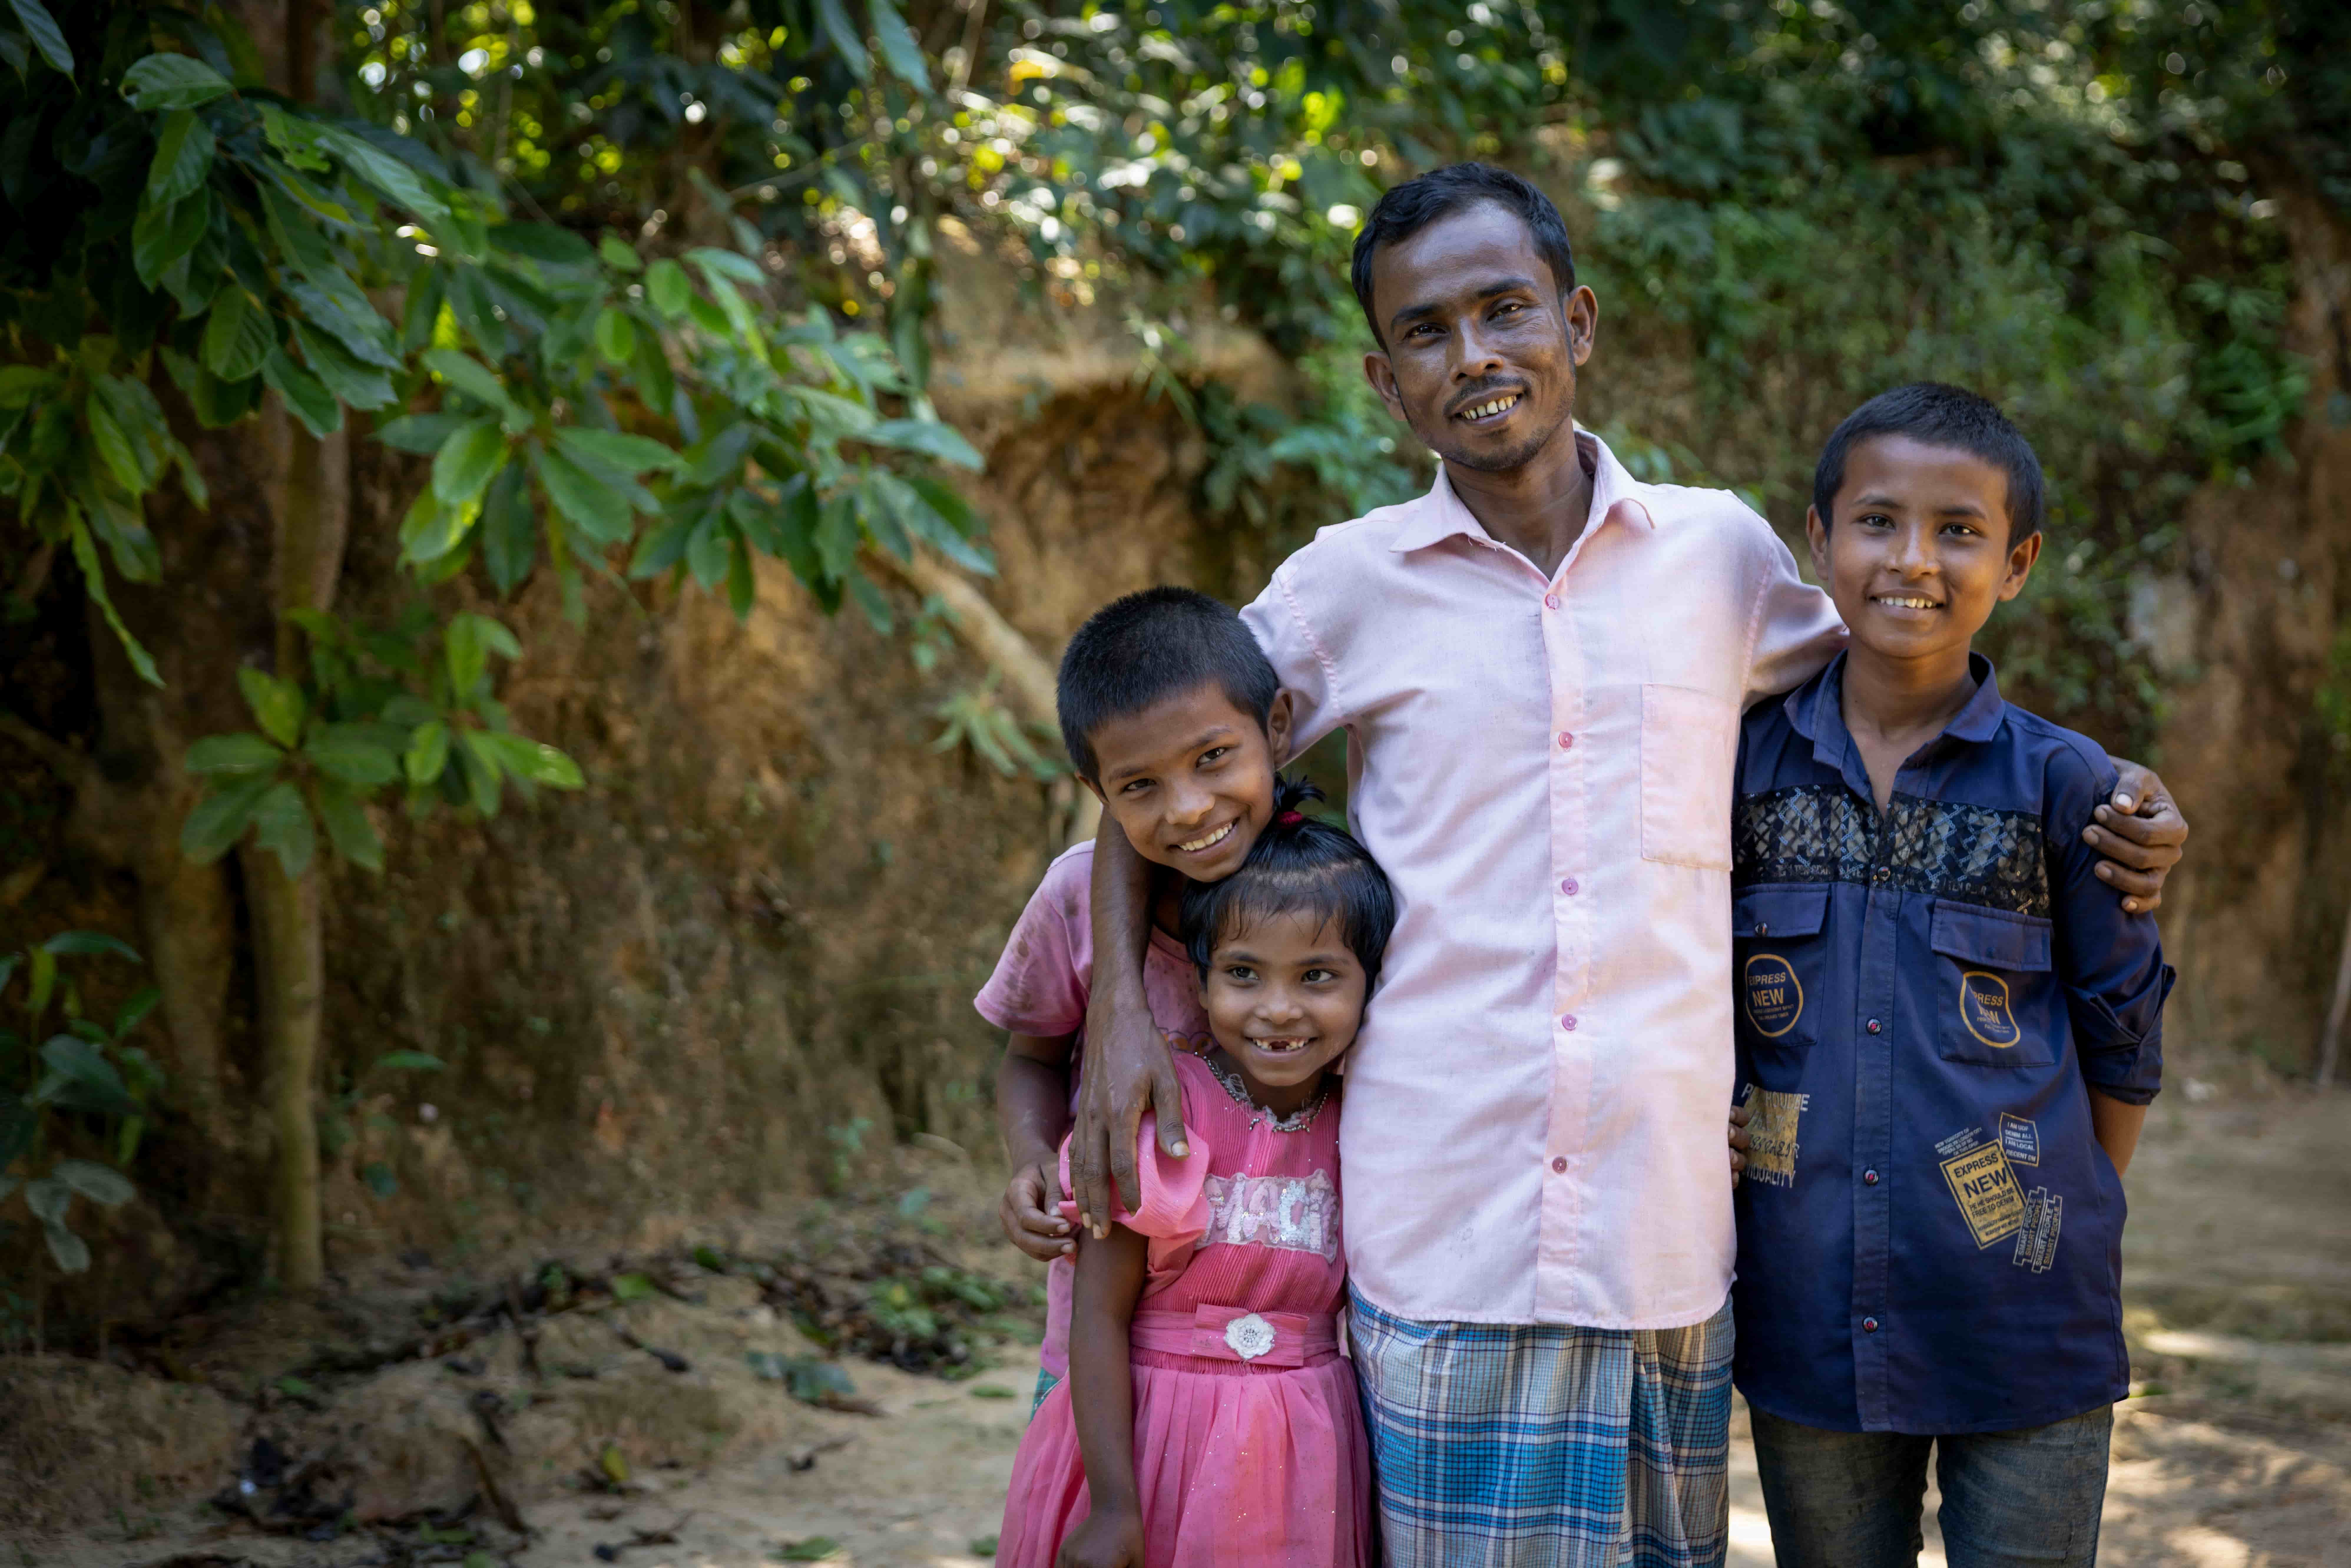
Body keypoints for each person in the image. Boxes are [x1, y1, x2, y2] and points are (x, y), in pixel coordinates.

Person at [1067, 163, 2192, 1567]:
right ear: (1385, 380)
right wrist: (1118, 1013)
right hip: (1444, 1233)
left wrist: (2104, 791)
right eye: (1425, 332)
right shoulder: (1343, 587)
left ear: (1578, 323)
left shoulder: (1715, 557)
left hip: (1664, 1242)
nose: (1474, 355)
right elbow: (1162, 770)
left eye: (1505, 310)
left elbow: (1905, 658)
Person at [1729, 384, 2170, 1567]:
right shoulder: (1736, 769)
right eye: (1877, 521)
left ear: (2016, 564)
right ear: (1817, 537)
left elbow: (2122, 1039)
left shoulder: (2071, 791)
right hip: (1808, 1318)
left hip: (2025, 1326)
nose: (1912, 559)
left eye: (1959, 531)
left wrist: (2049, 1204)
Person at [995, 780, 1392, 1568]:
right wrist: (1114, 1505)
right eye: (1244, 974)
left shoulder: (1370, 1127)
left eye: (1317, 977)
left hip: (1303, 1450)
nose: (1279, 1009)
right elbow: (1098, 1314)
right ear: (1200, 983)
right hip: (1149, 1439)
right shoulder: (1161, 1119)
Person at [977, 586, 1293, 1412]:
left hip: (1279, 1351)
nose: (1188, 808)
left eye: (1213, 757)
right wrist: (1031, 1161)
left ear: (1278, 728)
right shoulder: (1074, 899)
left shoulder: (1327, 897)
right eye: (1140, 785)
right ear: (1098, 791)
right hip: (1102, 1347)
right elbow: (1030, 1058)